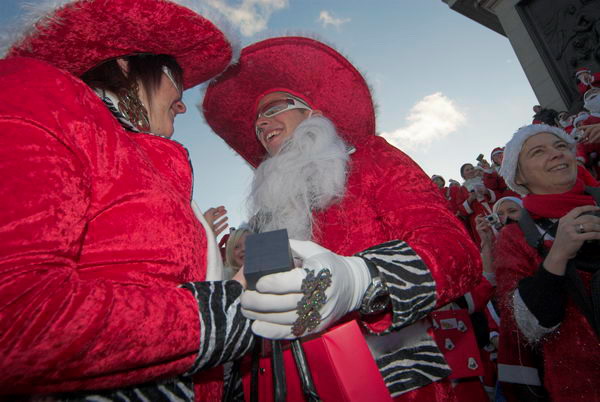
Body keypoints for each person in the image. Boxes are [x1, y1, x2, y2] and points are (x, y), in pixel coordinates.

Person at [203, 36, 481, 401]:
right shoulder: (266, 213)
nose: (261, 122)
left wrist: (361, 279)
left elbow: (455, 250)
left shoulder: (370, 159)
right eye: (257, 119)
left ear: (312, 116)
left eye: (275, 108)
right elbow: (262, 303)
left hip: (390, 380)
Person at [0, 1, 253, 400]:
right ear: (124, 66)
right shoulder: (43, 96)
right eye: (176, 81)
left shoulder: (139, 156)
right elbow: (16, 317)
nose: (184, 103)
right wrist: (221, 316)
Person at [494, 124, 600, 401]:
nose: (556, 154)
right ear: (519, 176)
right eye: (538, 151)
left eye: (561, 146)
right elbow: (523, 326)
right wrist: (557, 256)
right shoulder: (513, 237)